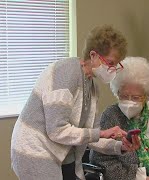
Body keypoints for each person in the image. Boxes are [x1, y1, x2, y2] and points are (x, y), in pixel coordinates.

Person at [11, 25, 139, 180]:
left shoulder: (92, 88)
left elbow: (90, 136)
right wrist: (101, 133)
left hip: (62, 152)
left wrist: (121, 146)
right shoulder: (65, 73)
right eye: (110, 63)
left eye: (116, 65)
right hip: (34, 150)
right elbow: (56, 130)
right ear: (93, 55)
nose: (113, 69)